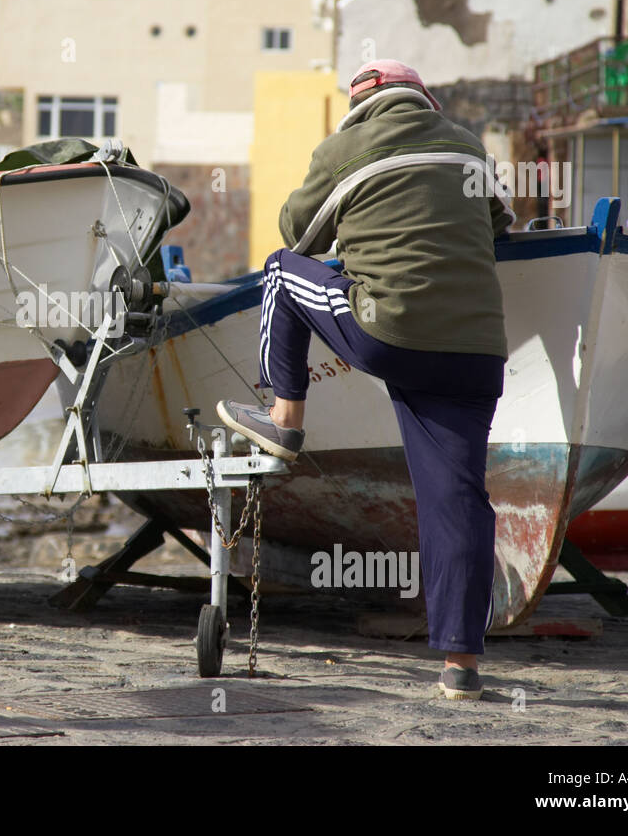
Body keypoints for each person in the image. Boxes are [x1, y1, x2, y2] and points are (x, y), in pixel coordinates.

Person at [217, 60, 515, 701]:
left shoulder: (343, 146)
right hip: (475, 352)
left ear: (359, 105)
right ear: (424, 99)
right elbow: (496, 224)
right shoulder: (467, 145)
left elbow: (297, 233)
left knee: (278, 271)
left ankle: (286, 421)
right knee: (457, 500)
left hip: (389, 331)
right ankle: (460, 664)